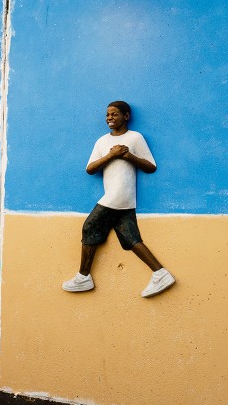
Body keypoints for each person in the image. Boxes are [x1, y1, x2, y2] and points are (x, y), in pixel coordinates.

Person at [62, 100, 176, 298]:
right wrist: (111, 155)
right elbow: (90, 169)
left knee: (90, 227)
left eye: (114, 114)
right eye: (107, 115)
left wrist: (129, 156)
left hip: (120, 193)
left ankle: (83, 277)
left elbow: (150, 166)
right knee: (130, 238)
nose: (109, 118)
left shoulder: (135, 137)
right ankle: (160, 273)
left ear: (126, 116)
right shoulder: (102, 142)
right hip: (120, 197)